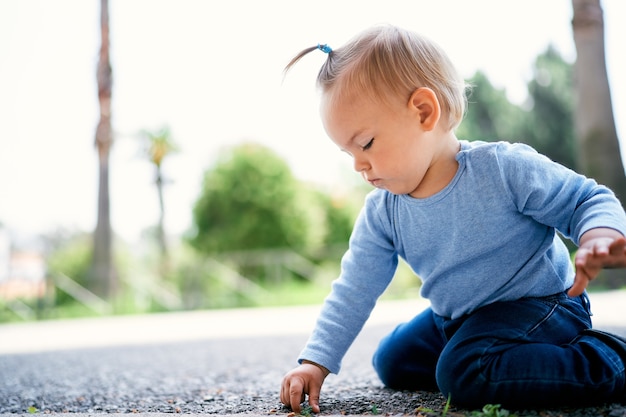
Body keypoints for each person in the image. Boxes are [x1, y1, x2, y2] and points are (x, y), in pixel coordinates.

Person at [279, 24, 626, 413]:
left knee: (463, 373)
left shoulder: (501, 169)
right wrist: (316, 361)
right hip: (459, 316)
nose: (359, 164)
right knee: (392, 361)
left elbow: (585, 198)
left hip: (542, 306)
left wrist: (599, 234)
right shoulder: (383, 211)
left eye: (366, 144)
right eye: (349, 154)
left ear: (424, 112)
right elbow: (353, 289)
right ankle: (495, 358)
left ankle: (609, 359)